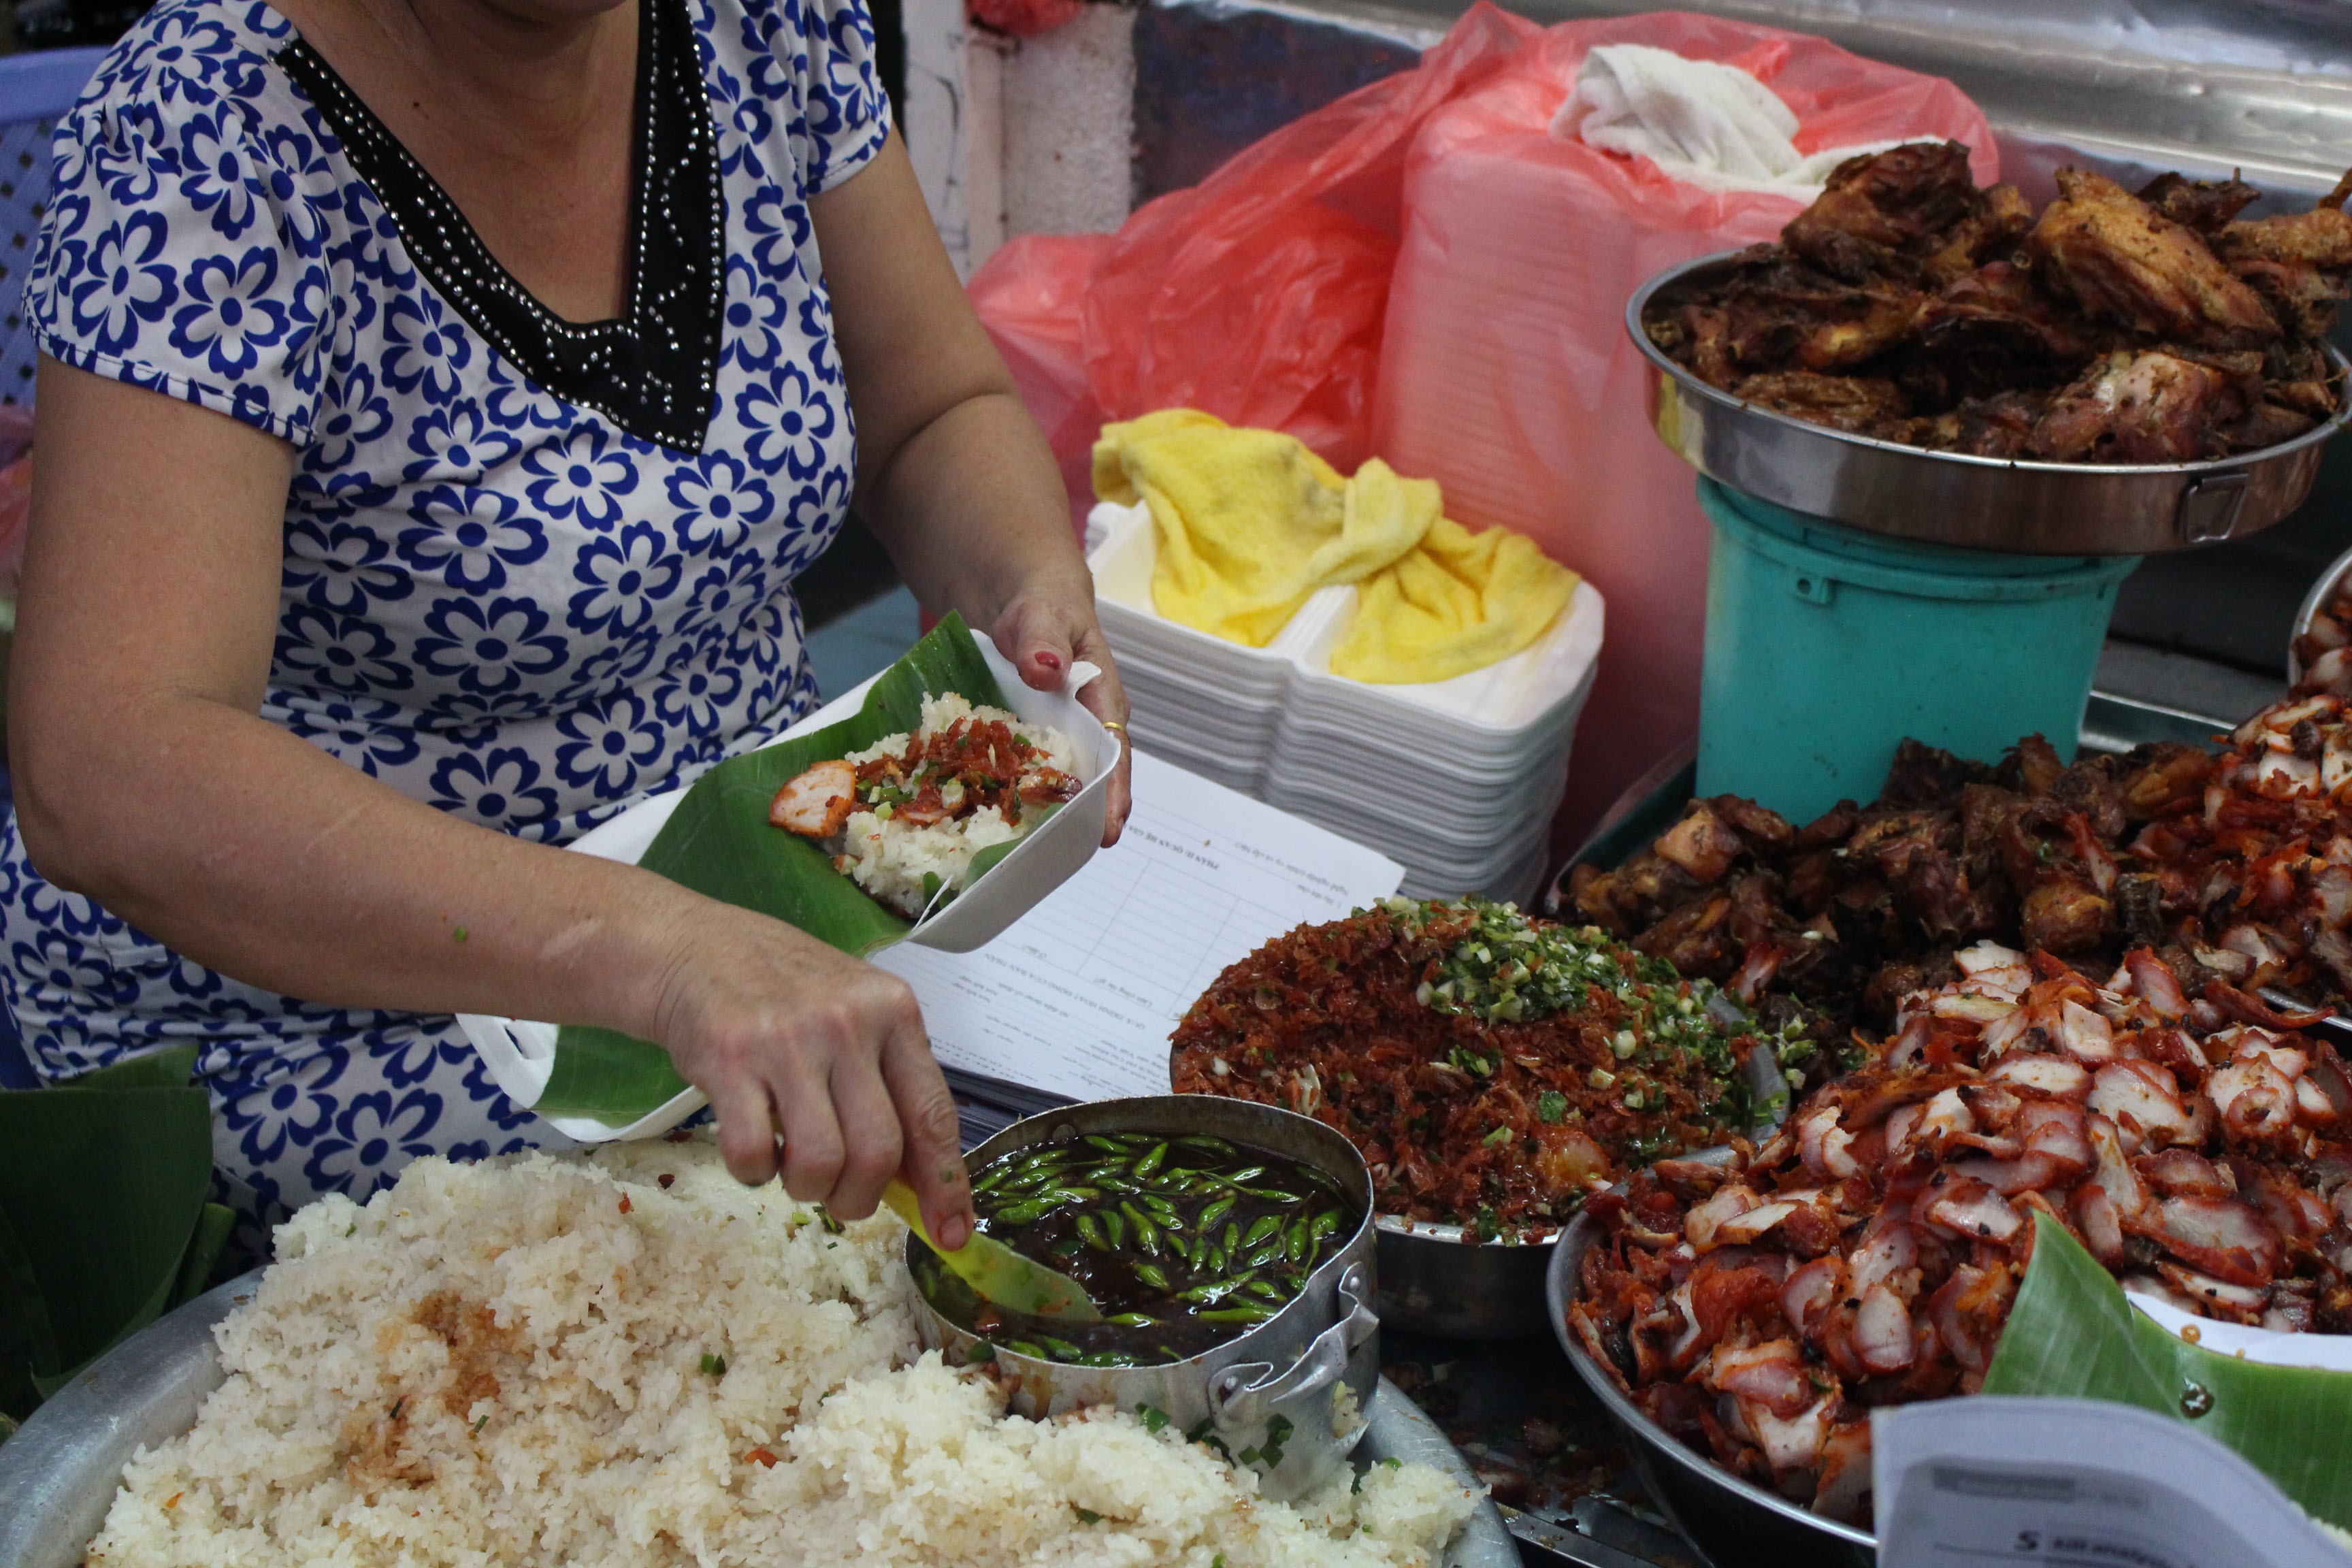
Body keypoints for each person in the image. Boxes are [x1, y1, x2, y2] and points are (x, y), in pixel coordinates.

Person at [5, 0, 1130, 1260]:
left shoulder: (764, 27)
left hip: (776, 953)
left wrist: (1030, 593)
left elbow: (933, 408)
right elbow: (108, 765)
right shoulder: (210, 130)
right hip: (353, 1032)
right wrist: (660, 955)